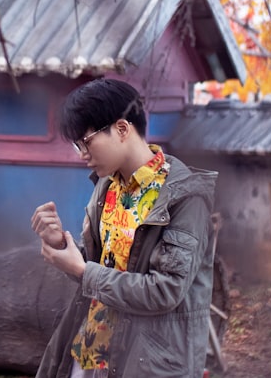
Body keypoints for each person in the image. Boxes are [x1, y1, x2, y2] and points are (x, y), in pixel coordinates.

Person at [31, 78, 217, 378]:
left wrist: (82, 271)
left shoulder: (185, 196)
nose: (81, 154)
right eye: (76, 145)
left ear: (121, 129)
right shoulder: (106, 187)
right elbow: (101, 265)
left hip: (148, 363)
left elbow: (165, 291)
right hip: (93, 349)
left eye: (86, 141)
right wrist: (63, 247)